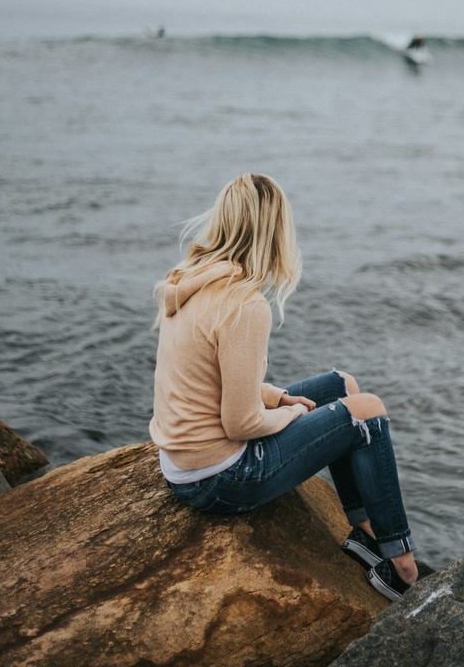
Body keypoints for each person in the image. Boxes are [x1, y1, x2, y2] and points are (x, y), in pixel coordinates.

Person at [150, 173, 418, 600]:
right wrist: (292, 413)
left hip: (182, 464)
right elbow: (239, 424)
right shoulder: (244, 303)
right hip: (220, 477)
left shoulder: (188, 279)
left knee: (342, 386)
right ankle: (401, 565)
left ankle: (368, 533)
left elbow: (205, 378)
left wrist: (276, 396)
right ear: (274, 230)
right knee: (367, 412)